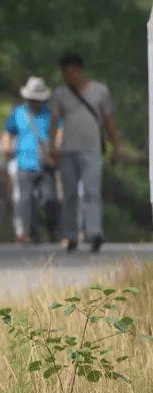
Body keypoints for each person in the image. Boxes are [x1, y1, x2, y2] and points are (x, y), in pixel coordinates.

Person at [48, 54, 122, 252]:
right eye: (64, 73)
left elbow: (109, 121)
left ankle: (94, 232)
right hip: (67, 150)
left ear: (80, 71)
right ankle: (70, 235)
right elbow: (54, 122)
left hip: (92, 150)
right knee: (69, 194)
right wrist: (52, 147)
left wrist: (116, 147)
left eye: (70, 72)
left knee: (92, 192)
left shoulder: (100, 91)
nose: (67, 77)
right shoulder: (60, 93)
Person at [3, 76, 58, 244]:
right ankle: (28, 233)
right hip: (24, 162)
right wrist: (6, 147)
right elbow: (8, 132)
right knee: (26, 200)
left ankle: (53, 231)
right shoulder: (18, 113)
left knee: (50, 198)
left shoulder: (49, 114)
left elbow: (59, 132)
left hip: (45, 162)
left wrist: (57, 151)